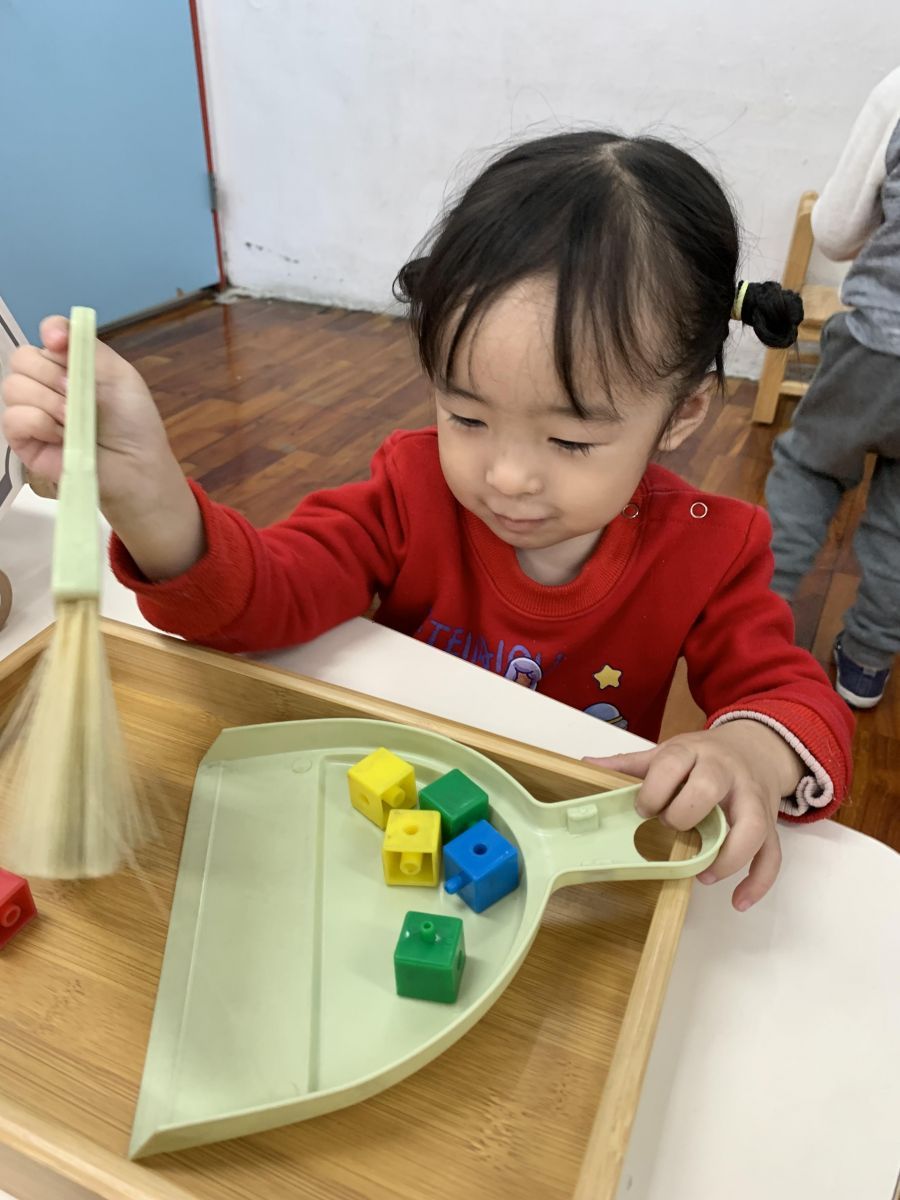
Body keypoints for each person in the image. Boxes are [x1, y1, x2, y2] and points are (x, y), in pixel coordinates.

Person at [2, 130, 853, 910]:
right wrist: (148, 495)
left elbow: (793, 698)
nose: (506, 476)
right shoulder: (410, 491)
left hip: (559, 861)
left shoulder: (710, 546)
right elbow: (263, 599)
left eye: (569, 439)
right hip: (387, 836)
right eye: (466, 417)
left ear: (683, 413)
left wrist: (748, 753)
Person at [766, 66, 900, 709]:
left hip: (881, 340)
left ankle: (757, 625)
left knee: (810, 468)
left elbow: (838, 232)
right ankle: (868, 662)